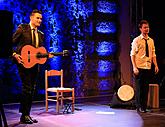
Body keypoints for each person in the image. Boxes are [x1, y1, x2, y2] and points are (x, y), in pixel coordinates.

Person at [12, 9, 50, 124]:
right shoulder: (22, 29)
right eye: (37, 18)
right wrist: (14, 54)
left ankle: (26, 114)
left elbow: (40, 52)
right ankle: (24, 115)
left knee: (32, 89)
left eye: (41, 19)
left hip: (35, 65)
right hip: (23, 63)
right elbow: (10, 43)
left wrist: (47, 55)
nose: (40, 20)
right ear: (31, 18)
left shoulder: (41, 34)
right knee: (27, 88)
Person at [130, 20, 159, 113]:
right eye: (145, 27)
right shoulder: (137, 40)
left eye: (148, 27)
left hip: (148, 66)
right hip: (139, 67)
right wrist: (134, 67)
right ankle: (139, 107)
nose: (147, 29)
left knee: (146, 88)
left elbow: (153, 54)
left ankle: (144, 106)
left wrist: (156, 65)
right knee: (139, 88)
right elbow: (132, 54)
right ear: (140, 29)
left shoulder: (151, 41)